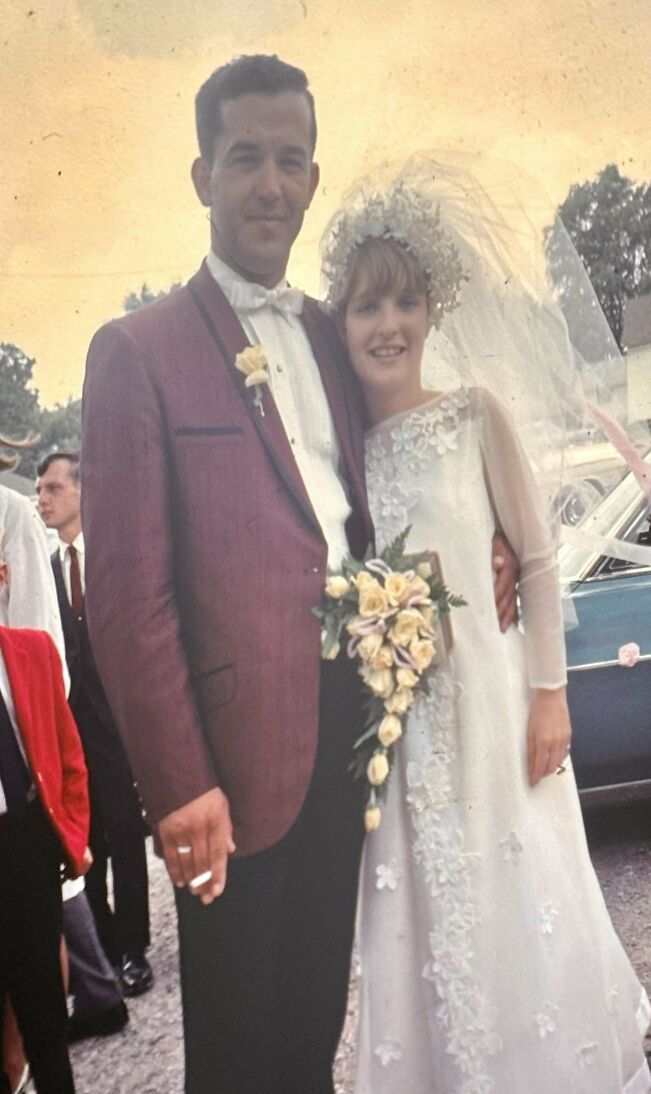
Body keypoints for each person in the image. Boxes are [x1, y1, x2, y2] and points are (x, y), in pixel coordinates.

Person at [80, 56, 518, 1093]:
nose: (269, 183)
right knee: (236, 1055)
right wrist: (179, 784)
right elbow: (125, 598)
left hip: (350, 740)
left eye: (289, 159)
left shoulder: (332, 335)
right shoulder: (137, 351)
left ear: (313, 177)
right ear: (202, 176)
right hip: (229, 769)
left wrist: (486, 539)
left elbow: (408, 465)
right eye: (245, 159)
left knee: (313, 1029)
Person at [323, 180, 651, 1092]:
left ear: (433, 310)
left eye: (404, 301)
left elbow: (537, 561)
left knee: (518, 902)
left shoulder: (472, 415)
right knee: (425, 917)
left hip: (497, 714)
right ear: (342, 319)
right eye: (366, 305)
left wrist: (551, 694)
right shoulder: (339, 447)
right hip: (398, 735)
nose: (387, 324)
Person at [36, 451, 153, 997]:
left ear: (82, 492)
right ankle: (103, 946)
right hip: (71, 727)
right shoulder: (45, 566)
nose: (43, 499)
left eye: (54, 488)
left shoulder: (111, 557)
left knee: (127, 834)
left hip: (118, 723)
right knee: (87, 841)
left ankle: (134, 951)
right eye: (39, 490)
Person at [0, 577, 91, 1094]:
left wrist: (71, 837)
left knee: (44, 1011)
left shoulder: (32, 651)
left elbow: (68, 754)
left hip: (28, 846)